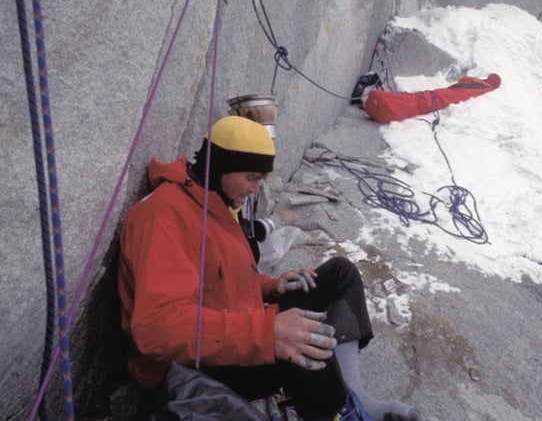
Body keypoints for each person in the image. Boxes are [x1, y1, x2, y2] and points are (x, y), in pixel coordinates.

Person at [117, 115, 419, 420]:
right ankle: (340, 413)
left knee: (339, 274)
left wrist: (269, 287)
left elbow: (222, 275)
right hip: (194, 363)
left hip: (236, 328)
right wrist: (267, 334)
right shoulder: (162, 219)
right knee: (303, 346)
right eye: (251, 177)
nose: (256, 189)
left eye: (261, 179)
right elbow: (157, 330)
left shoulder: (216, 201)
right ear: (219, 165)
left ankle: (356, 398)